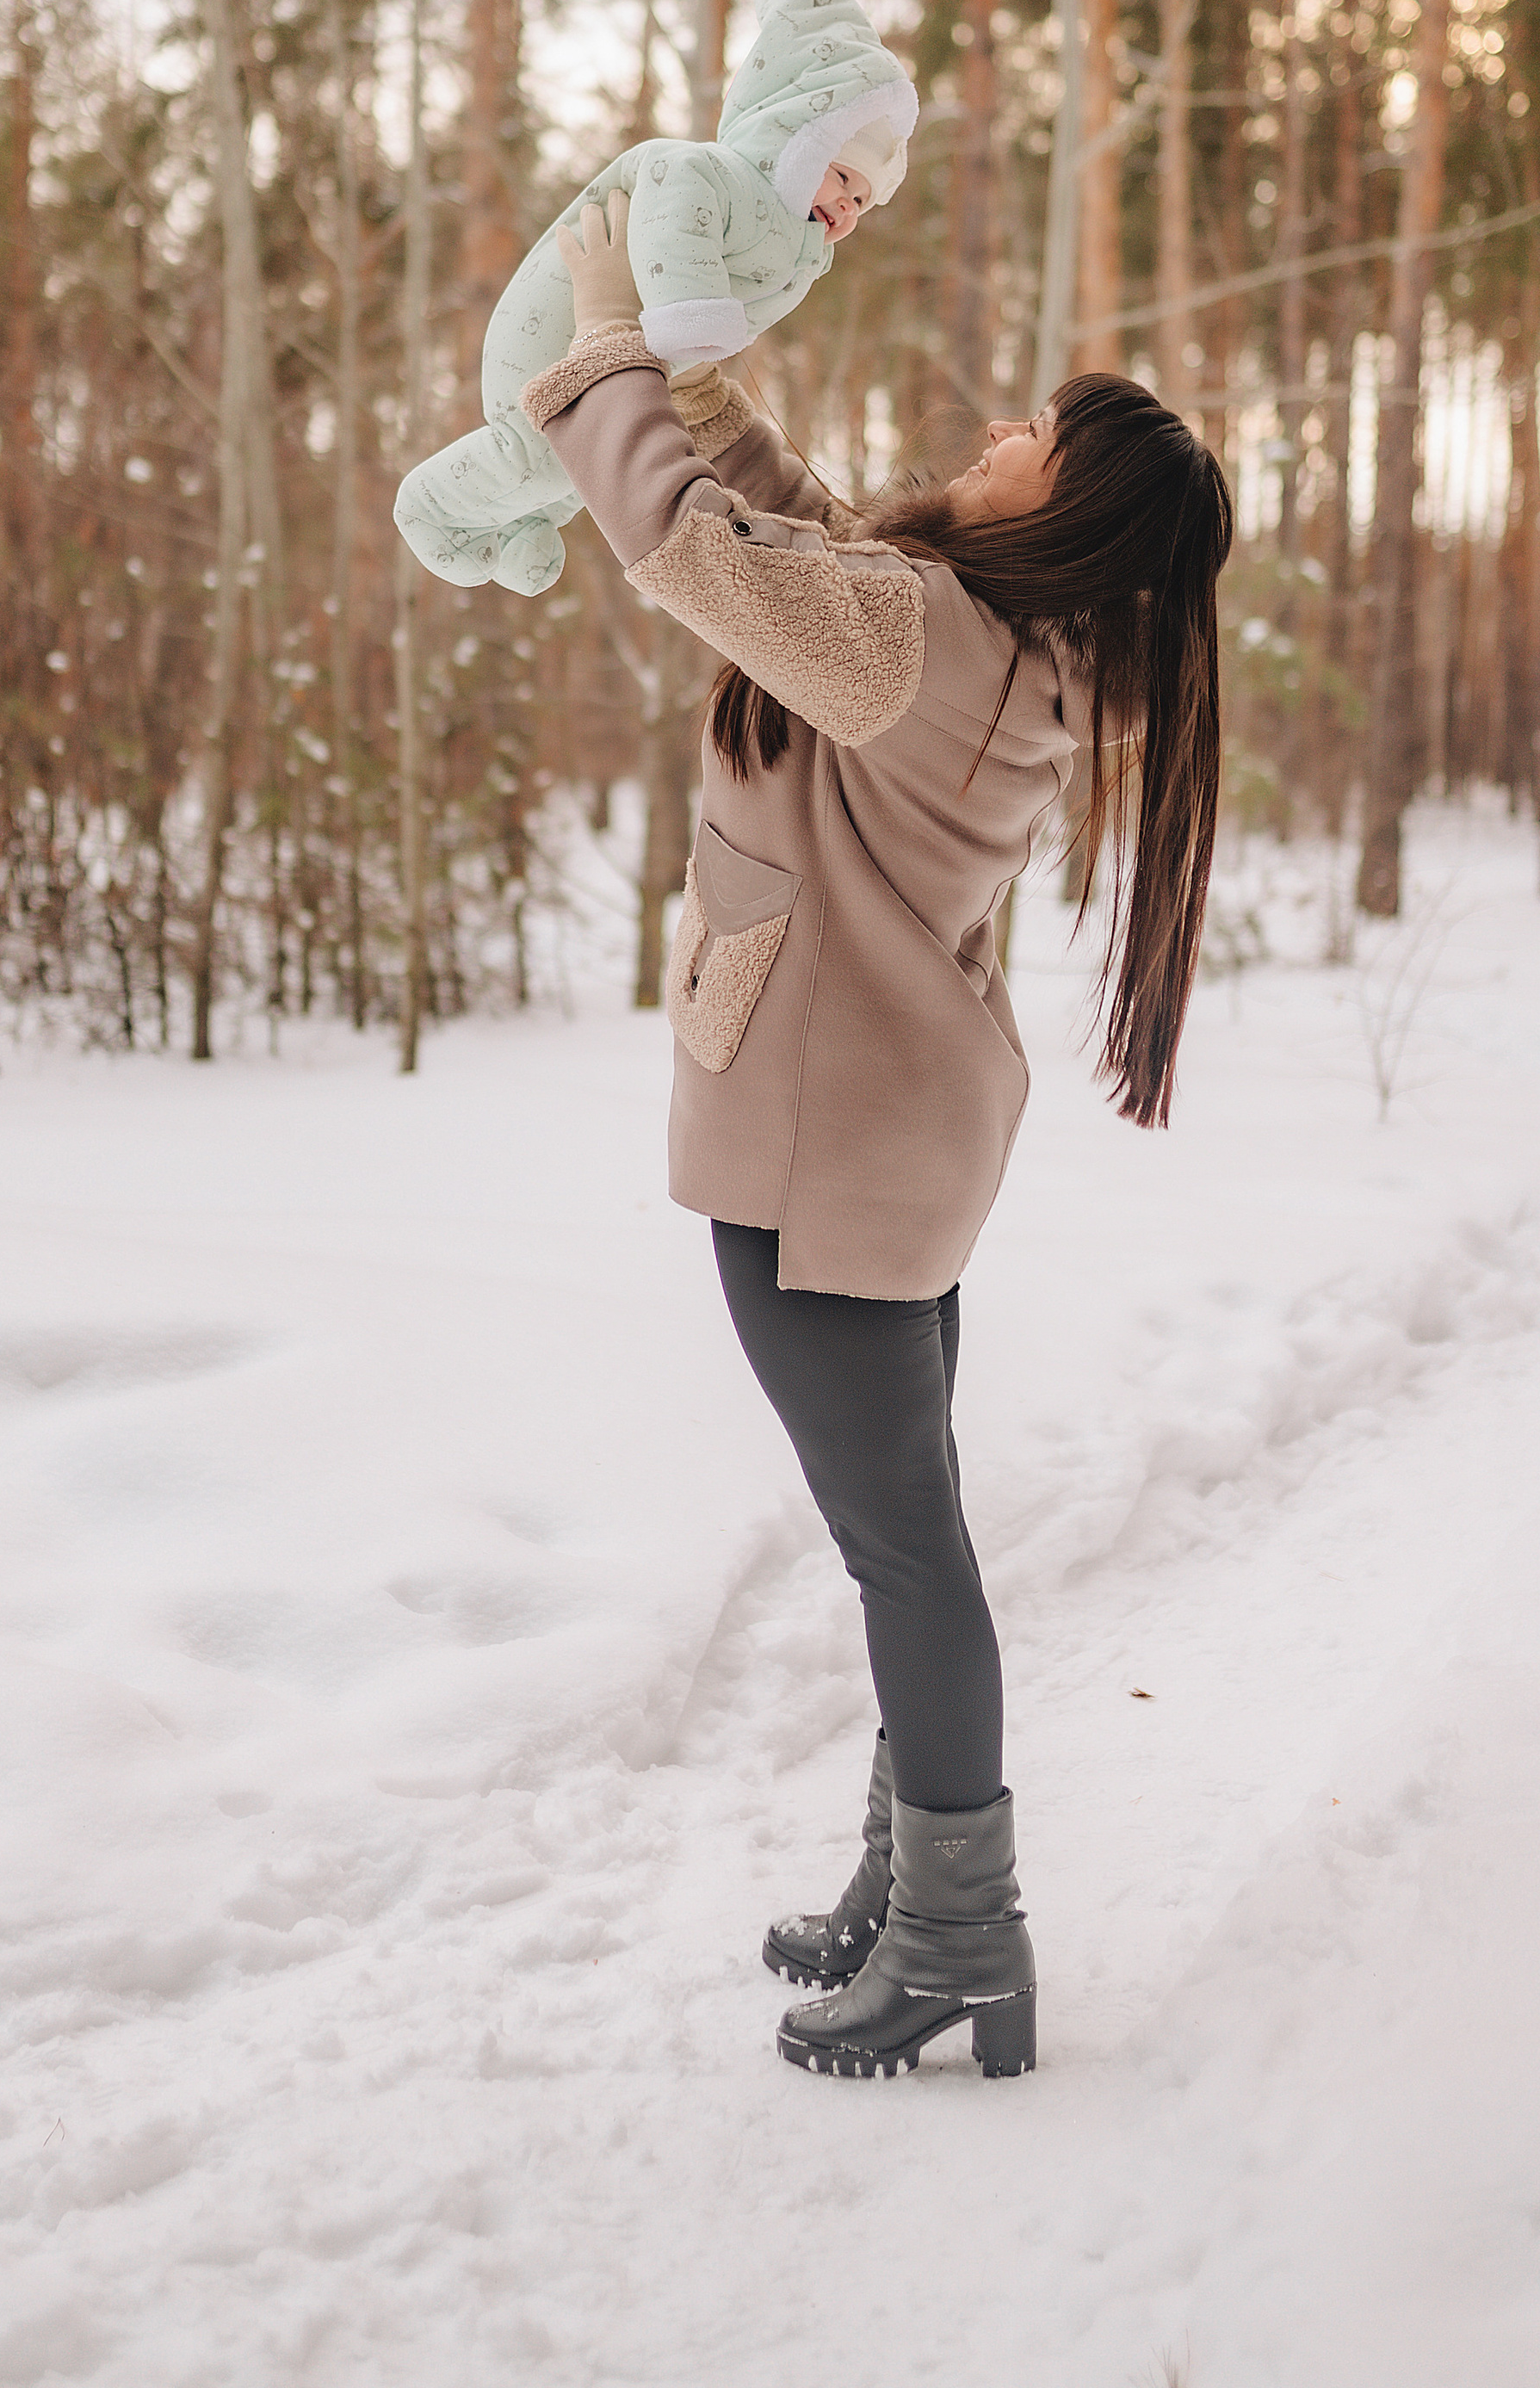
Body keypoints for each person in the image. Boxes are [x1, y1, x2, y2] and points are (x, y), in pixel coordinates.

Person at [525, 190, 1234, 2084]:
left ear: (1057, 512)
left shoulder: (916, 641)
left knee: (903, 1555)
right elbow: (798, 543)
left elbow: (686, 541)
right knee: (898, 1544)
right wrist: (689, 371)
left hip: (826, 1148)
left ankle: (953, 1937)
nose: (997, 434)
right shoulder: (977, 635)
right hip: (884, 1137)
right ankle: (901, 1887)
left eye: (1036, 442)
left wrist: (601, 347)